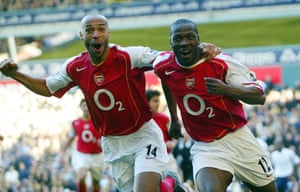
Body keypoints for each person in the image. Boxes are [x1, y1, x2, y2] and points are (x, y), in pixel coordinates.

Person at [0, 14, 220, 192]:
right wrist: (16, 74)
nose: (96, 34)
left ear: (108, 33)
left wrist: (201, 50)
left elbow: (167, 59)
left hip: (143, 135)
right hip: (113, 144)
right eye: (89, 30)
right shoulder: (75, 66)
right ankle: (171, 185)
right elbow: (48, 87)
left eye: (101, 29)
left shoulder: (129, 56)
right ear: (81, 35)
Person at [153, 18, 277, 192]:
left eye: (190, 37)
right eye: (178, 39)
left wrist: (226, 89)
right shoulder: (163, 65)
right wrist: (174, 118)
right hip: (205, 146)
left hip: (238, 139)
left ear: (198, 39)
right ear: (170, 42)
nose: (184, 43)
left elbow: (259, 96)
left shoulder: (220, 63)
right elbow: (166, 79)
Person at [60, 98, 103, 192]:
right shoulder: (76, 123)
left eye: (88, 105)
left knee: (95, 182)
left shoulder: (98, 121)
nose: (86, 108)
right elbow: (71, 137)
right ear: (81, 107)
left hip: (97, 155)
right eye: (84, 105)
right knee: (81, 175)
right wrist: (63, 150)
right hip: (82, 154)